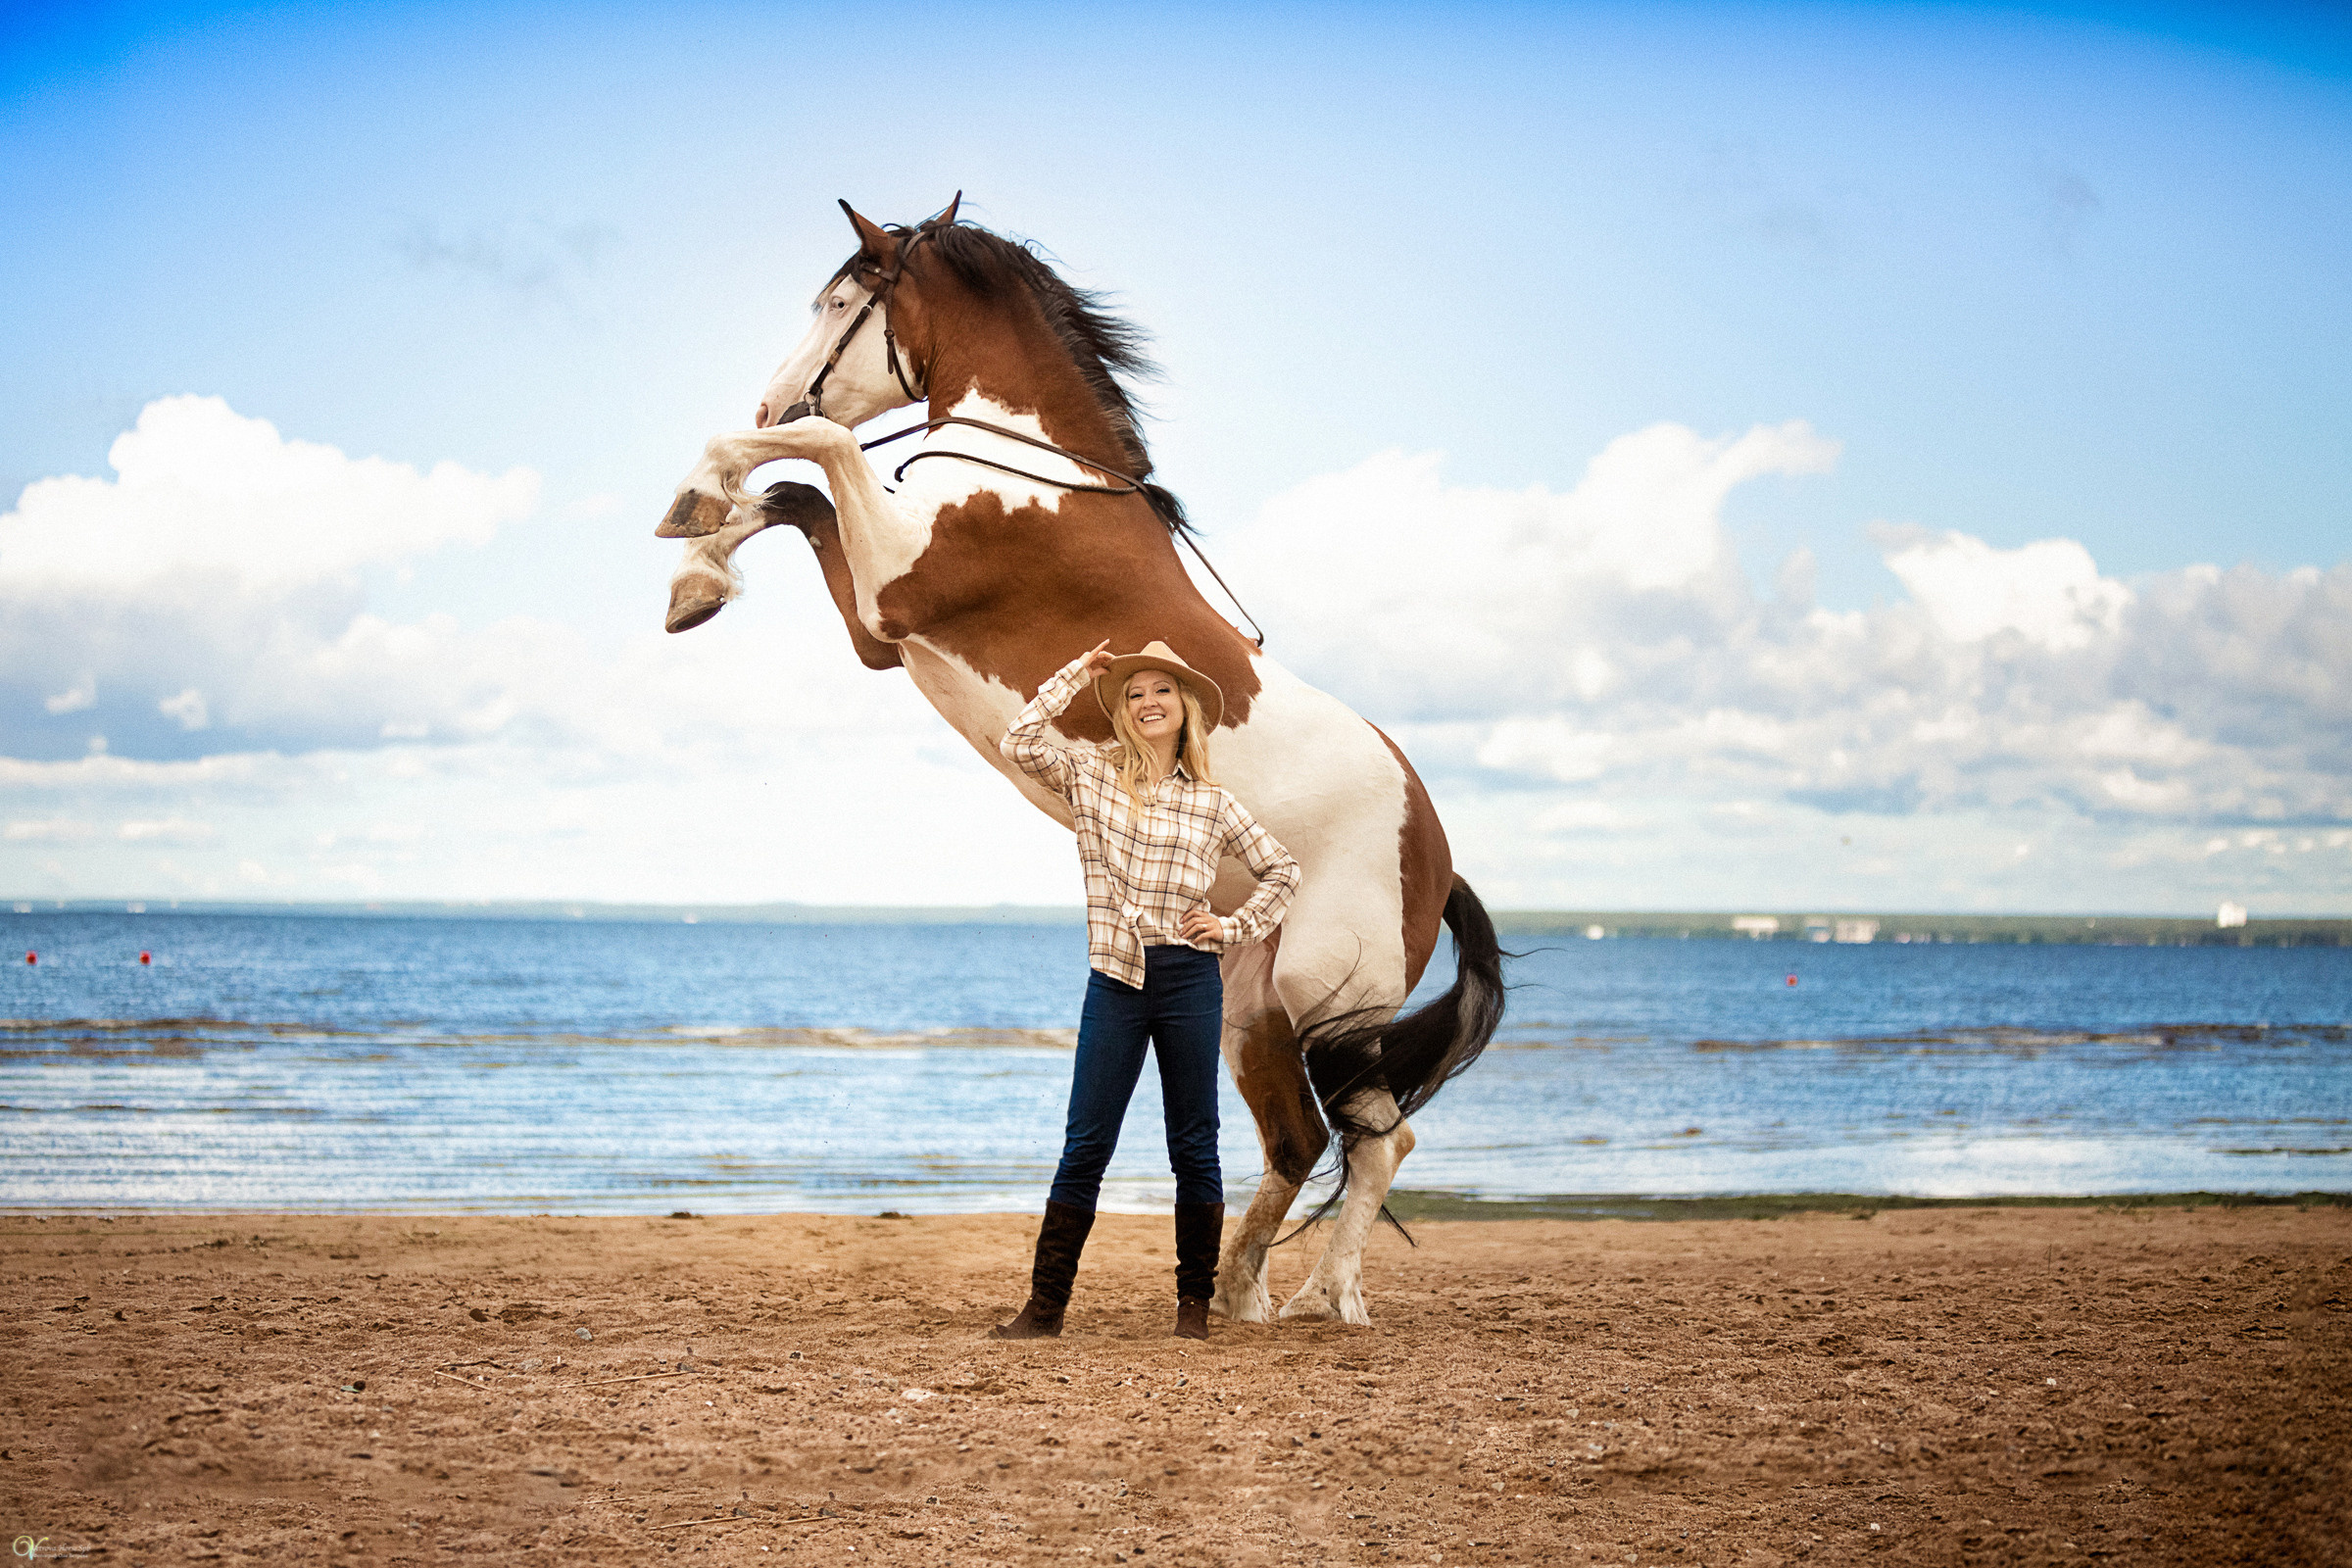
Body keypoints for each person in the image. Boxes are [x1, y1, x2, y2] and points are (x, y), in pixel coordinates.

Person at [992, 639, 1301, 1341]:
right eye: (1134, 694)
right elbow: (1019, 742)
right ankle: (1044, 1310)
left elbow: (1282, 870)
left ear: (1184, 708)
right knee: (1085, 1144)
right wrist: (1077, 673)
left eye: (1161, 690)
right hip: (1115, 981)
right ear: (1123, 712)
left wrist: (1232, 926)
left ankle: (1194, 1309)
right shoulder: (1090, 775)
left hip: (1190, 980)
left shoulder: (1213, 804)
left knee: (1194, 1144)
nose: (1147, 702)